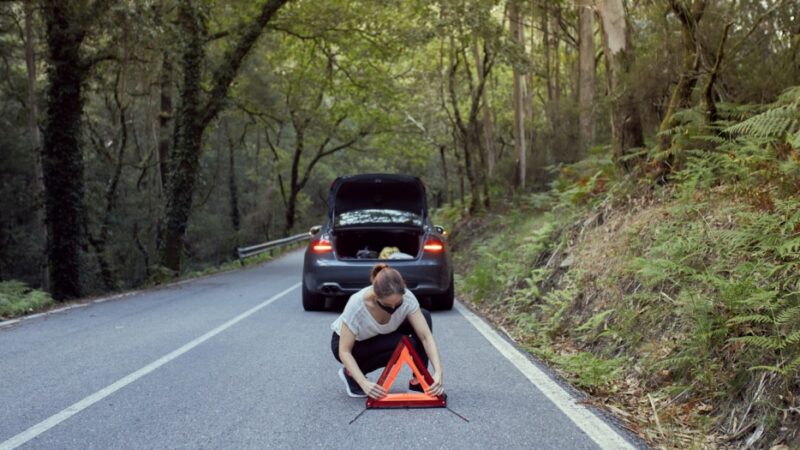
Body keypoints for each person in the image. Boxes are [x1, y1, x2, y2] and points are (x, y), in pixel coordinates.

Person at [330, 263, 445, 399]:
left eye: (398, 304)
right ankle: (352, 375)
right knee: (404, 344)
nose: (393, 308)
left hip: (381, 335)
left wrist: (438, 372)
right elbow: (344, 351)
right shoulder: (357, 305)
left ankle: (419, 380)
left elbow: (425, 337)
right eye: (387, 305)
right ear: (375, 296)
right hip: (353, 346)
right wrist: (364, 382)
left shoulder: (408, 298)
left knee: (424, 316)